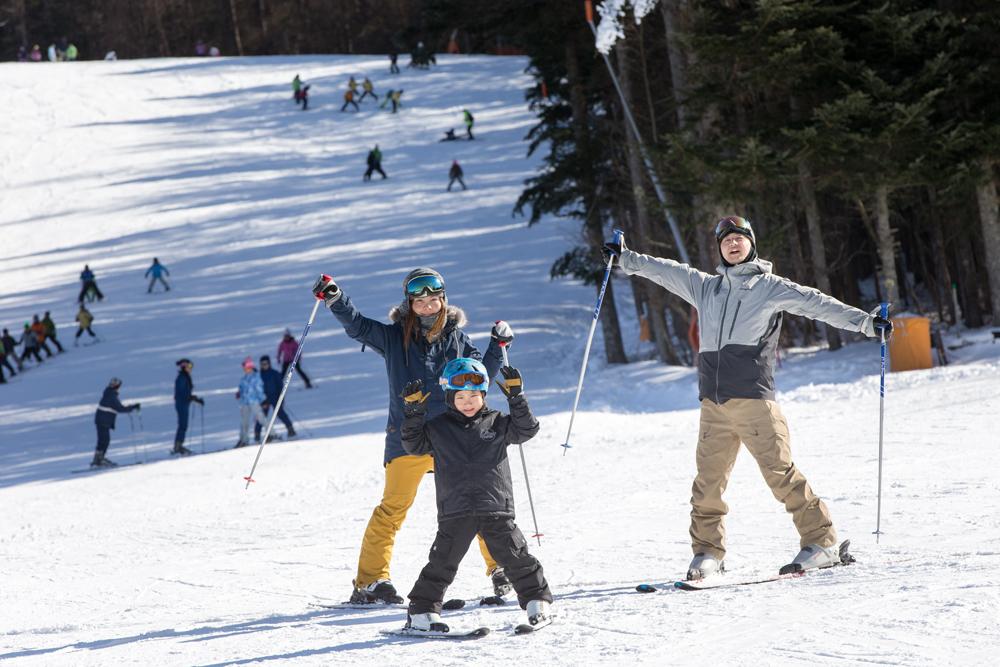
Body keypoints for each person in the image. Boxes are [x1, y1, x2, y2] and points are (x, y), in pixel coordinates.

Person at [604, 217, 894, 578]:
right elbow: (666, 270)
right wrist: (624, 258)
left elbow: (816, 304)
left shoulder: (769, 287)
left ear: (751, 244)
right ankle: (708, 552)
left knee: (781, 475)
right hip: (713, 404)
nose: (733, 244)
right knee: (707, 484)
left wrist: (866, 323)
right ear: (720, 249)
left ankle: (822, 542)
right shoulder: (705, 288)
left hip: (754, 401)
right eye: (727, 241)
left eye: (740, 238)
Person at [311, 268, 513, 605]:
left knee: (477, 503)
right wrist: (336, 298)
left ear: (443, 299)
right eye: (419, 301)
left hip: (452, 437)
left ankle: (501, 568)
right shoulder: (392, 338)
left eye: (433, 299)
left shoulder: (459, 341)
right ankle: (371, 581)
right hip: (408, 436)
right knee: (393, 509)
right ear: (410, 303)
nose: (427, 306)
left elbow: (480, 376)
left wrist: (498, 345)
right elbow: (359, 326)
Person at [399, 358, 553, 632]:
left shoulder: (498, 422)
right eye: (460, 396)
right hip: (455, 509)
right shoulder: (438, 428)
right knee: (442, 563)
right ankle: (422, 612)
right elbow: (413, 445)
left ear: (483, 395)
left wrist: (517, 399)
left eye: (474, 395)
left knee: (516, 557)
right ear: (450, 397)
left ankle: (536, 602)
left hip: (495, 506)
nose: (467, 401)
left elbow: (527, 430)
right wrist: (413, 413)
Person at [91, 377, 140, 467]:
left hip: (101, 419)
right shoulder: (112, 395)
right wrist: (132, 407)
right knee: (105, 440)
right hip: (103, 420)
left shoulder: (109, 393)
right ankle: (99, 460)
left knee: (102, 440)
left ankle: (98, 459)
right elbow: (120, 408)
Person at [254, 355, 296, 443]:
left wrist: (281, 399)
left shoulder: (274, 373)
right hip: (264, 399)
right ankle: (257, 434)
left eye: (266, 364)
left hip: (275, 397)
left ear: (269, 364)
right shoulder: (259, 375)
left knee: (280, 412)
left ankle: (290, 429)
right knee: (262, 415)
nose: (264, 366)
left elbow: (280, 387)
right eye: (262, 364)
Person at [235, 356, 267, 448]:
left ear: (250, 367)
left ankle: (271, 434)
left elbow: (259, 389)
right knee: (244, 422)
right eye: (244, 368)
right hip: (245, 402)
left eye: (245, 367)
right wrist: (239, 394)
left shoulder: (256, 377)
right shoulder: (244, 378)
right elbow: (241, 389)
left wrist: (263, 400)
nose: (244, 369)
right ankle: (244, 439)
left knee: (261, 418)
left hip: (254, 401)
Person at [174, 358, 203, 455]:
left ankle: (179, 445)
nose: (191, 369)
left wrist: (193, 398)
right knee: (182, 424)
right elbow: (182, 393)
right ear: (184, 367)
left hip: (184, 403)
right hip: (182, 403)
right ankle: (178, 446)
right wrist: (191, 398)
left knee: (183, 424)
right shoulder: (182, 377)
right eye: (189, 366)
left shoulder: (185, 377)